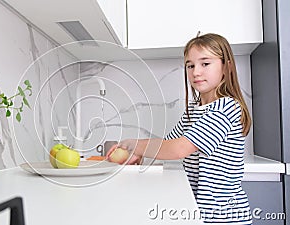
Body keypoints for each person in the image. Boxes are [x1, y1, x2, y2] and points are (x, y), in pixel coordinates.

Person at [107, 33, 253, 224]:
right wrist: (139, 154)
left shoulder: (226, 108)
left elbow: (178, 149)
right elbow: (167, 143)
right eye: (190, 65)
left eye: (205, 63)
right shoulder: (194, 109)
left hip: (223, 216)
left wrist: (134, 145)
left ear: (226, 67)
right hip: (199, 212)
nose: (196, 72)